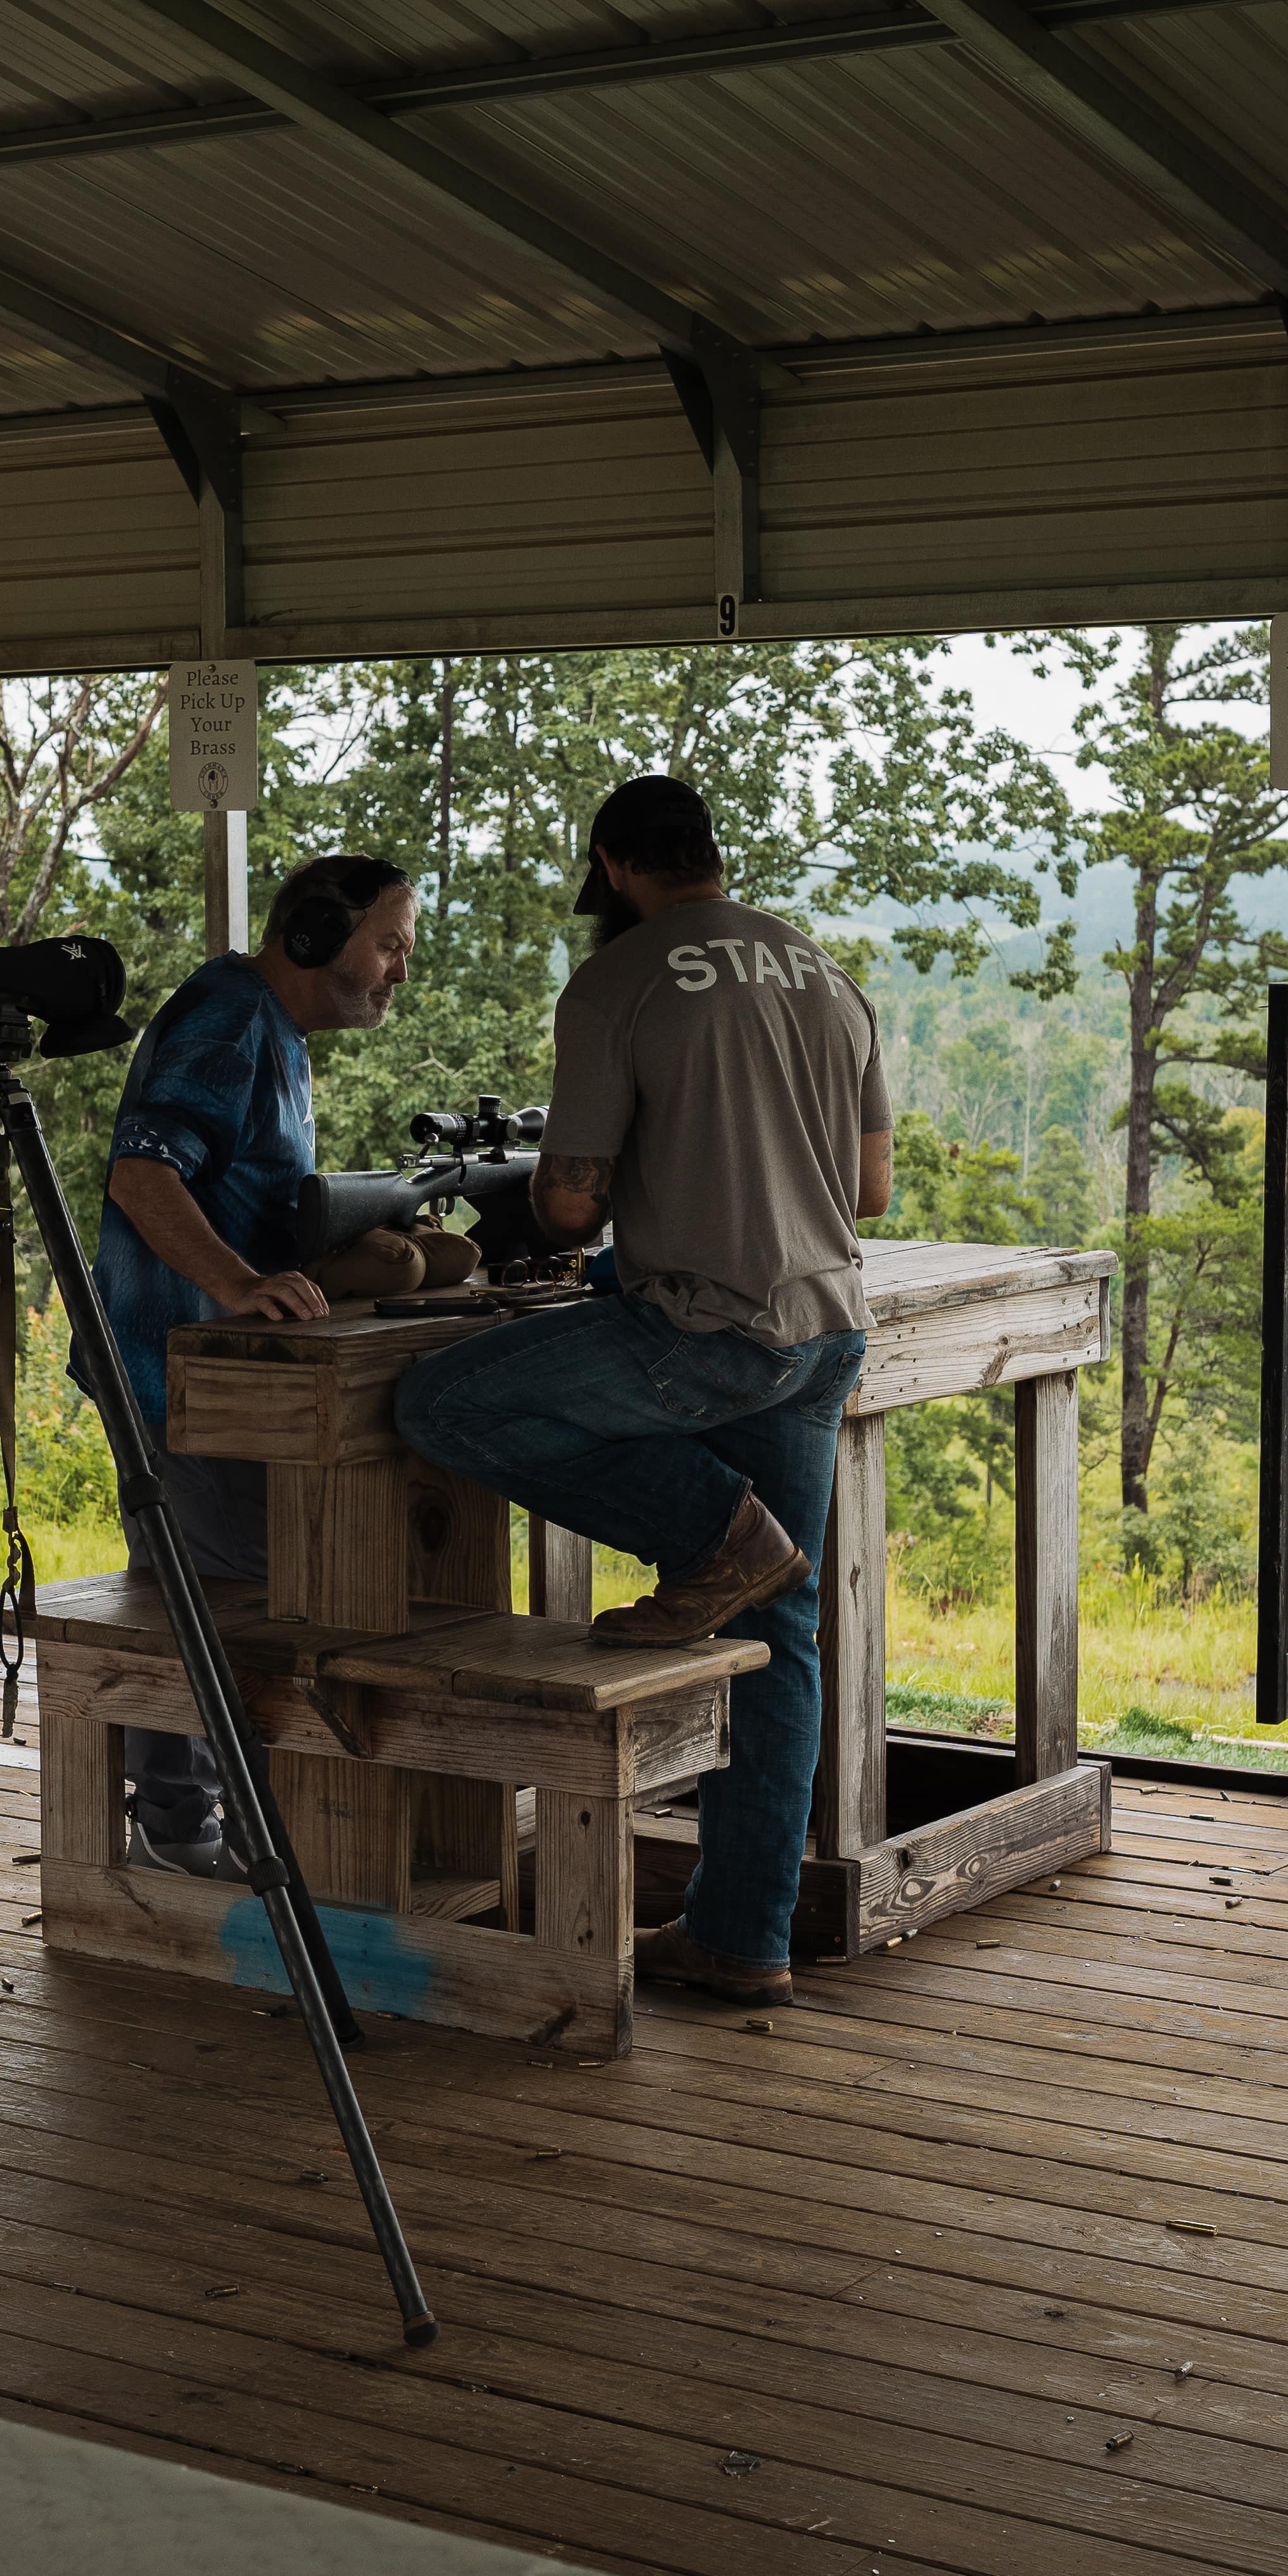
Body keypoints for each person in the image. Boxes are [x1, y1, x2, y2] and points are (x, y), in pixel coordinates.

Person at [394, 775, 890, 2009]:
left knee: (441, 1406)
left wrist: (564, 1201)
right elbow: (869, 1191)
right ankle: (741, 1937)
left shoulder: (616, 980)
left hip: (705, 1330)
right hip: (825, 1329)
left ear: (613, 864)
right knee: (778, 1633)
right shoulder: (824, 972)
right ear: (710, 852)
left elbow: (569, 1202)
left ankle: (719, 1533)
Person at [81, 852, 417, 1873]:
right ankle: (207, 1835)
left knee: (197, 1586)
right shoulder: (228, 1022)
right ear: (316, 936)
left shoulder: (274, 1029)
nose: (400, 971)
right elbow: (143, 1175)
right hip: (184, 1375)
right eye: (389, 945)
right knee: (235, 1598)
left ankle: (185, 1824)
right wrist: (236, 1282)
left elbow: (242, 1195)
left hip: (214, 1378)